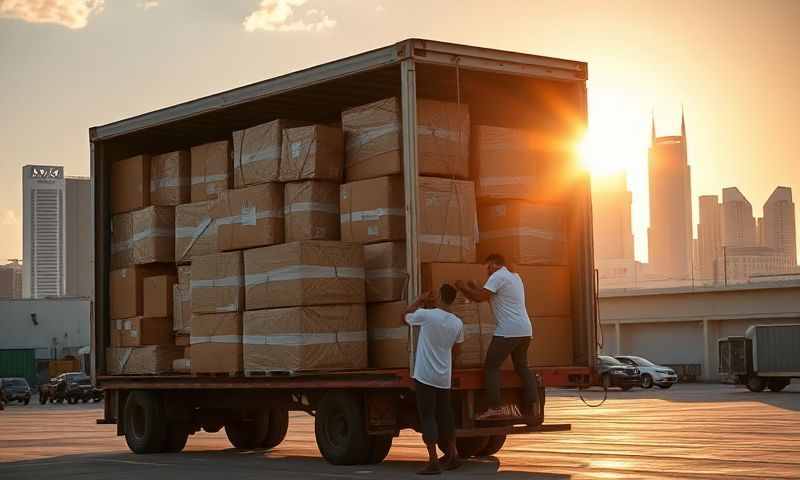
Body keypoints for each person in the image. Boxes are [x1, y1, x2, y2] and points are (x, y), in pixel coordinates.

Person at [455, 253, 538, 420]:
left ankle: (495, 407)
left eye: (487, 267)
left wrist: (462, 287)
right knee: (522, 366)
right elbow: (488, 294)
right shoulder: (514, 276)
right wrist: (474, 287)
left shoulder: (497, 275)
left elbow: (480, 298)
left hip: (508, 331)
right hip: (525, 331)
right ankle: (533, 404)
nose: (486, 271)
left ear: (493, 264)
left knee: (491, 367)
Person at [405, 284, 464, 475]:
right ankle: (453, 455)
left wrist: (420, 300)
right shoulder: (457, 323)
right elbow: (457, 349)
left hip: (425, 375)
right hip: (443, 376)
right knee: (445, 414)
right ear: (453, 299)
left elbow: (405, 316)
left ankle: (433, 462)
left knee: (428, 416)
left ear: (438, 297)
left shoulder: (427, 315)